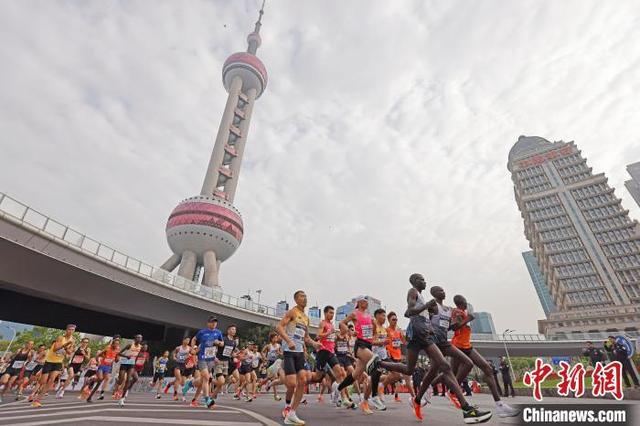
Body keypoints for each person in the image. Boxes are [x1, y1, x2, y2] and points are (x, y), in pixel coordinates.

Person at [385, 274, 491, 423]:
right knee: (432, 369)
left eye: (443, 290)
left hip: (442, 342)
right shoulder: (429, 302)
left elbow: (450, 327)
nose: (443, 292)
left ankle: (446, 395)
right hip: (428, 339)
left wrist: (465, 320)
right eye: (440, 290)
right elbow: (412, 312)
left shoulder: (447, 309)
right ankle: (453, 399)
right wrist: (426, 316)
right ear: (434, 294)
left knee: (464, 364)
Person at [450, 294, 519, 418]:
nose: (467, 304)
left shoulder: (463, 312)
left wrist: (468, 317)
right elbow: (454, 326)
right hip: (457, 347)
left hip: (467, 346)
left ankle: (499, 405)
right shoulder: (457, 312)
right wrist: (468, 318)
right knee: (449, 373)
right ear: (461, 302)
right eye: (465, 301)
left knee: (487, 368)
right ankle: (438, 391)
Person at [276, 290, 322, 425]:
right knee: (291, 384)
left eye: (306, 296)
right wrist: (288, 341)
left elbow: (306, 337)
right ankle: (287, 405)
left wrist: (314, 343)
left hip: (300, 352)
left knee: (303, 380)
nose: (305, 298)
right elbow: (279, 327)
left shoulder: (306, 318)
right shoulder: (292, 312)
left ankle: (292, 413)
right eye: (302, 296)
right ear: (296, 299)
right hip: (289, 351)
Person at [31, 324, 76, 408]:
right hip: (49, 361)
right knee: (43, 381)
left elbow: (69, 353)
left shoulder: (72, 340)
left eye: (72, 330)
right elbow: (55, 348)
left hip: (58, 362)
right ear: (66, 330)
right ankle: (35, 392)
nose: (71, 331)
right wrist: (66, 345)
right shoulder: (60, 338)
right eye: (69, 329)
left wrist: (68, 348)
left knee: (51, 380)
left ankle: (37, 400)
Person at [191, 316, 224, 408]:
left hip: (211, 359)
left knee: (203, 380)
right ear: (208, 323)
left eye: (215, 322)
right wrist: (193, 348)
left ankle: (190, 384)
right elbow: (194, 339)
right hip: (202, 357)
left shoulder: (218, 332)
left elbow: (222, 343)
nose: (214, 323)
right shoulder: (202, 332)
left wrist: (219, 343)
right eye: (212, 322)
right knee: (206, 377)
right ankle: (207, 399)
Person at [384, 311, 415, 403]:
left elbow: (405, 343)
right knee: (395, 377)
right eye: (393, 319)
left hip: (400, 358)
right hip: (391, 358)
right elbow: (383, 343)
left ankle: (415, 399)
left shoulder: (399, 331)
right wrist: (386, 351)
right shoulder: (386, 330)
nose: (395, 321)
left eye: (396, 319)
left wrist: (406, 337)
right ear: (389, 320)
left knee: (407, 378)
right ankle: (380, 387)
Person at [87, 338, 119, 403]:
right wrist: (98, 362)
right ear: (112, 344)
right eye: (115, 344)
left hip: (108, 367)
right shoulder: (108, 348)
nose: (116, 345)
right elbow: (98, 355)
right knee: (100, 378)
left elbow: (116, 360)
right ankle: (92, 380)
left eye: (118, 344)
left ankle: (90, 397)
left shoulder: (117, 350)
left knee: (100, 382)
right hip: (102, 366)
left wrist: (117, 357)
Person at [115, 334, 143, 406]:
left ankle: (122, 399)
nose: (139, 339)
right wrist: (126, 356)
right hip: (124, 363)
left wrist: (135, 363)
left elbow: (136, 356)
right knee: (121, 381)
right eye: (138, 337)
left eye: (140, 338)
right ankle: (117, 380)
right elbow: (119, 353)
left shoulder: (140, 347)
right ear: (135, 339)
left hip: (131, 364)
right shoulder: (130, 345)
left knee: (128, 379)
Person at [212, 325, 239, 400]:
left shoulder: (233, 342)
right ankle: (210, 379)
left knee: (222, 383)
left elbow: (231, 353)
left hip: (226, 363)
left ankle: (212, 397)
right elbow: (213, 345)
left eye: (235, 329)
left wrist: (236, 356)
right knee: (221, 381)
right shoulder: (223, 339)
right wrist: (214, 357)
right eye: (232, 329)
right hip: (219, 362)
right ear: (228, 331)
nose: (234, 331)